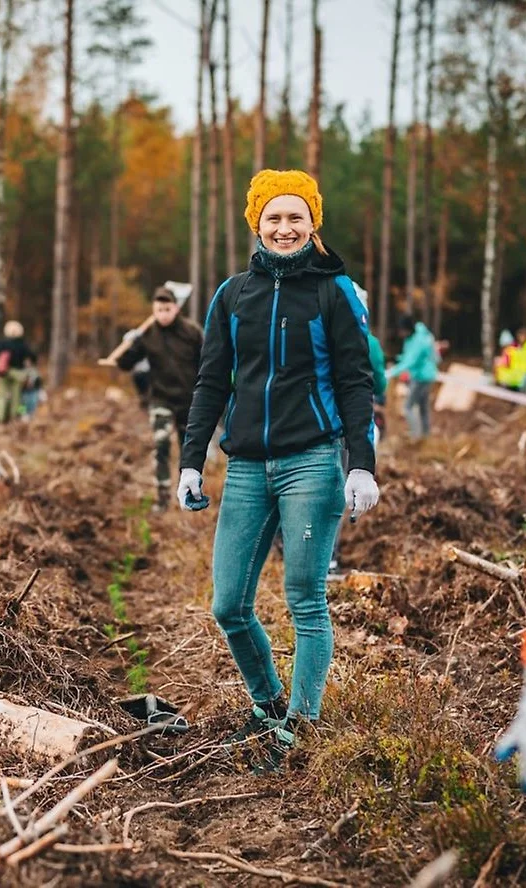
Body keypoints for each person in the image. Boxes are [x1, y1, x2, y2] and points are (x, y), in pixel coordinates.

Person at [177, 169, 379, 770]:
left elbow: (355, 381)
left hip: (312, 463)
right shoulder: (232, 294)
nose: (285, 227)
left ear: (312, 223)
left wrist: (360, 465)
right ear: (256, 223)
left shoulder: (333, 292)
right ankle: (267, 705)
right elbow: (212, 381)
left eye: (296, 217)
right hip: (245, 469)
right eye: (274, 217)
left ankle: (302, 725)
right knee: (227, 606)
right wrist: (191, 461)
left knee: (305, 600)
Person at [117, 287, 203, 512]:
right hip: (161, 399)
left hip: (189, 400)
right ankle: (162, 498)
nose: (163, 314)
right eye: (159, 310)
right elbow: (125, 363)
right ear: (153, 310)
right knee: (161, 444)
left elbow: (207, 360)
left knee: (189, 451)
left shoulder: (192, 332)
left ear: (176, 308)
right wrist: (130, 342)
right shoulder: (147, 335)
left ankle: (187, 496)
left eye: (167, 309)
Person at [328, 282, 387, 575]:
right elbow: (377, 378)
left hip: (326, 424)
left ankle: (317, 554)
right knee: (335, 491)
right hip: (343, 425)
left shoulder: (317, 325)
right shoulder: (368, 339)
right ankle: (328, 558)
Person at [386, 314, 439, 440]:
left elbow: (410, 361)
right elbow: (407, 356)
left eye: (401, 331)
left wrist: (389, 373)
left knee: (408, 407)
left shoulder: (419, 341)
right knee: (423, 407)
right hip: (425, 375)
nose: (400, 334)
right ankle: (425, 436)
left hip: (421, 377)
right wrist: (395, 358)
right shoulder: (413, 338)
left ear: (407, 329)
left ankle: (416, 437)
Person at [0, 320, 37, 423]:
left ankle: (1, 417)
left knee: (2, 395)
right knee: (17, 397)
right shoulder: (23, 344)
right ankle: (15, 417)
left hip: (4, 373)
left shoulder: (2, 343)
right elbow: (33, 357)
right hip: (18, 374)